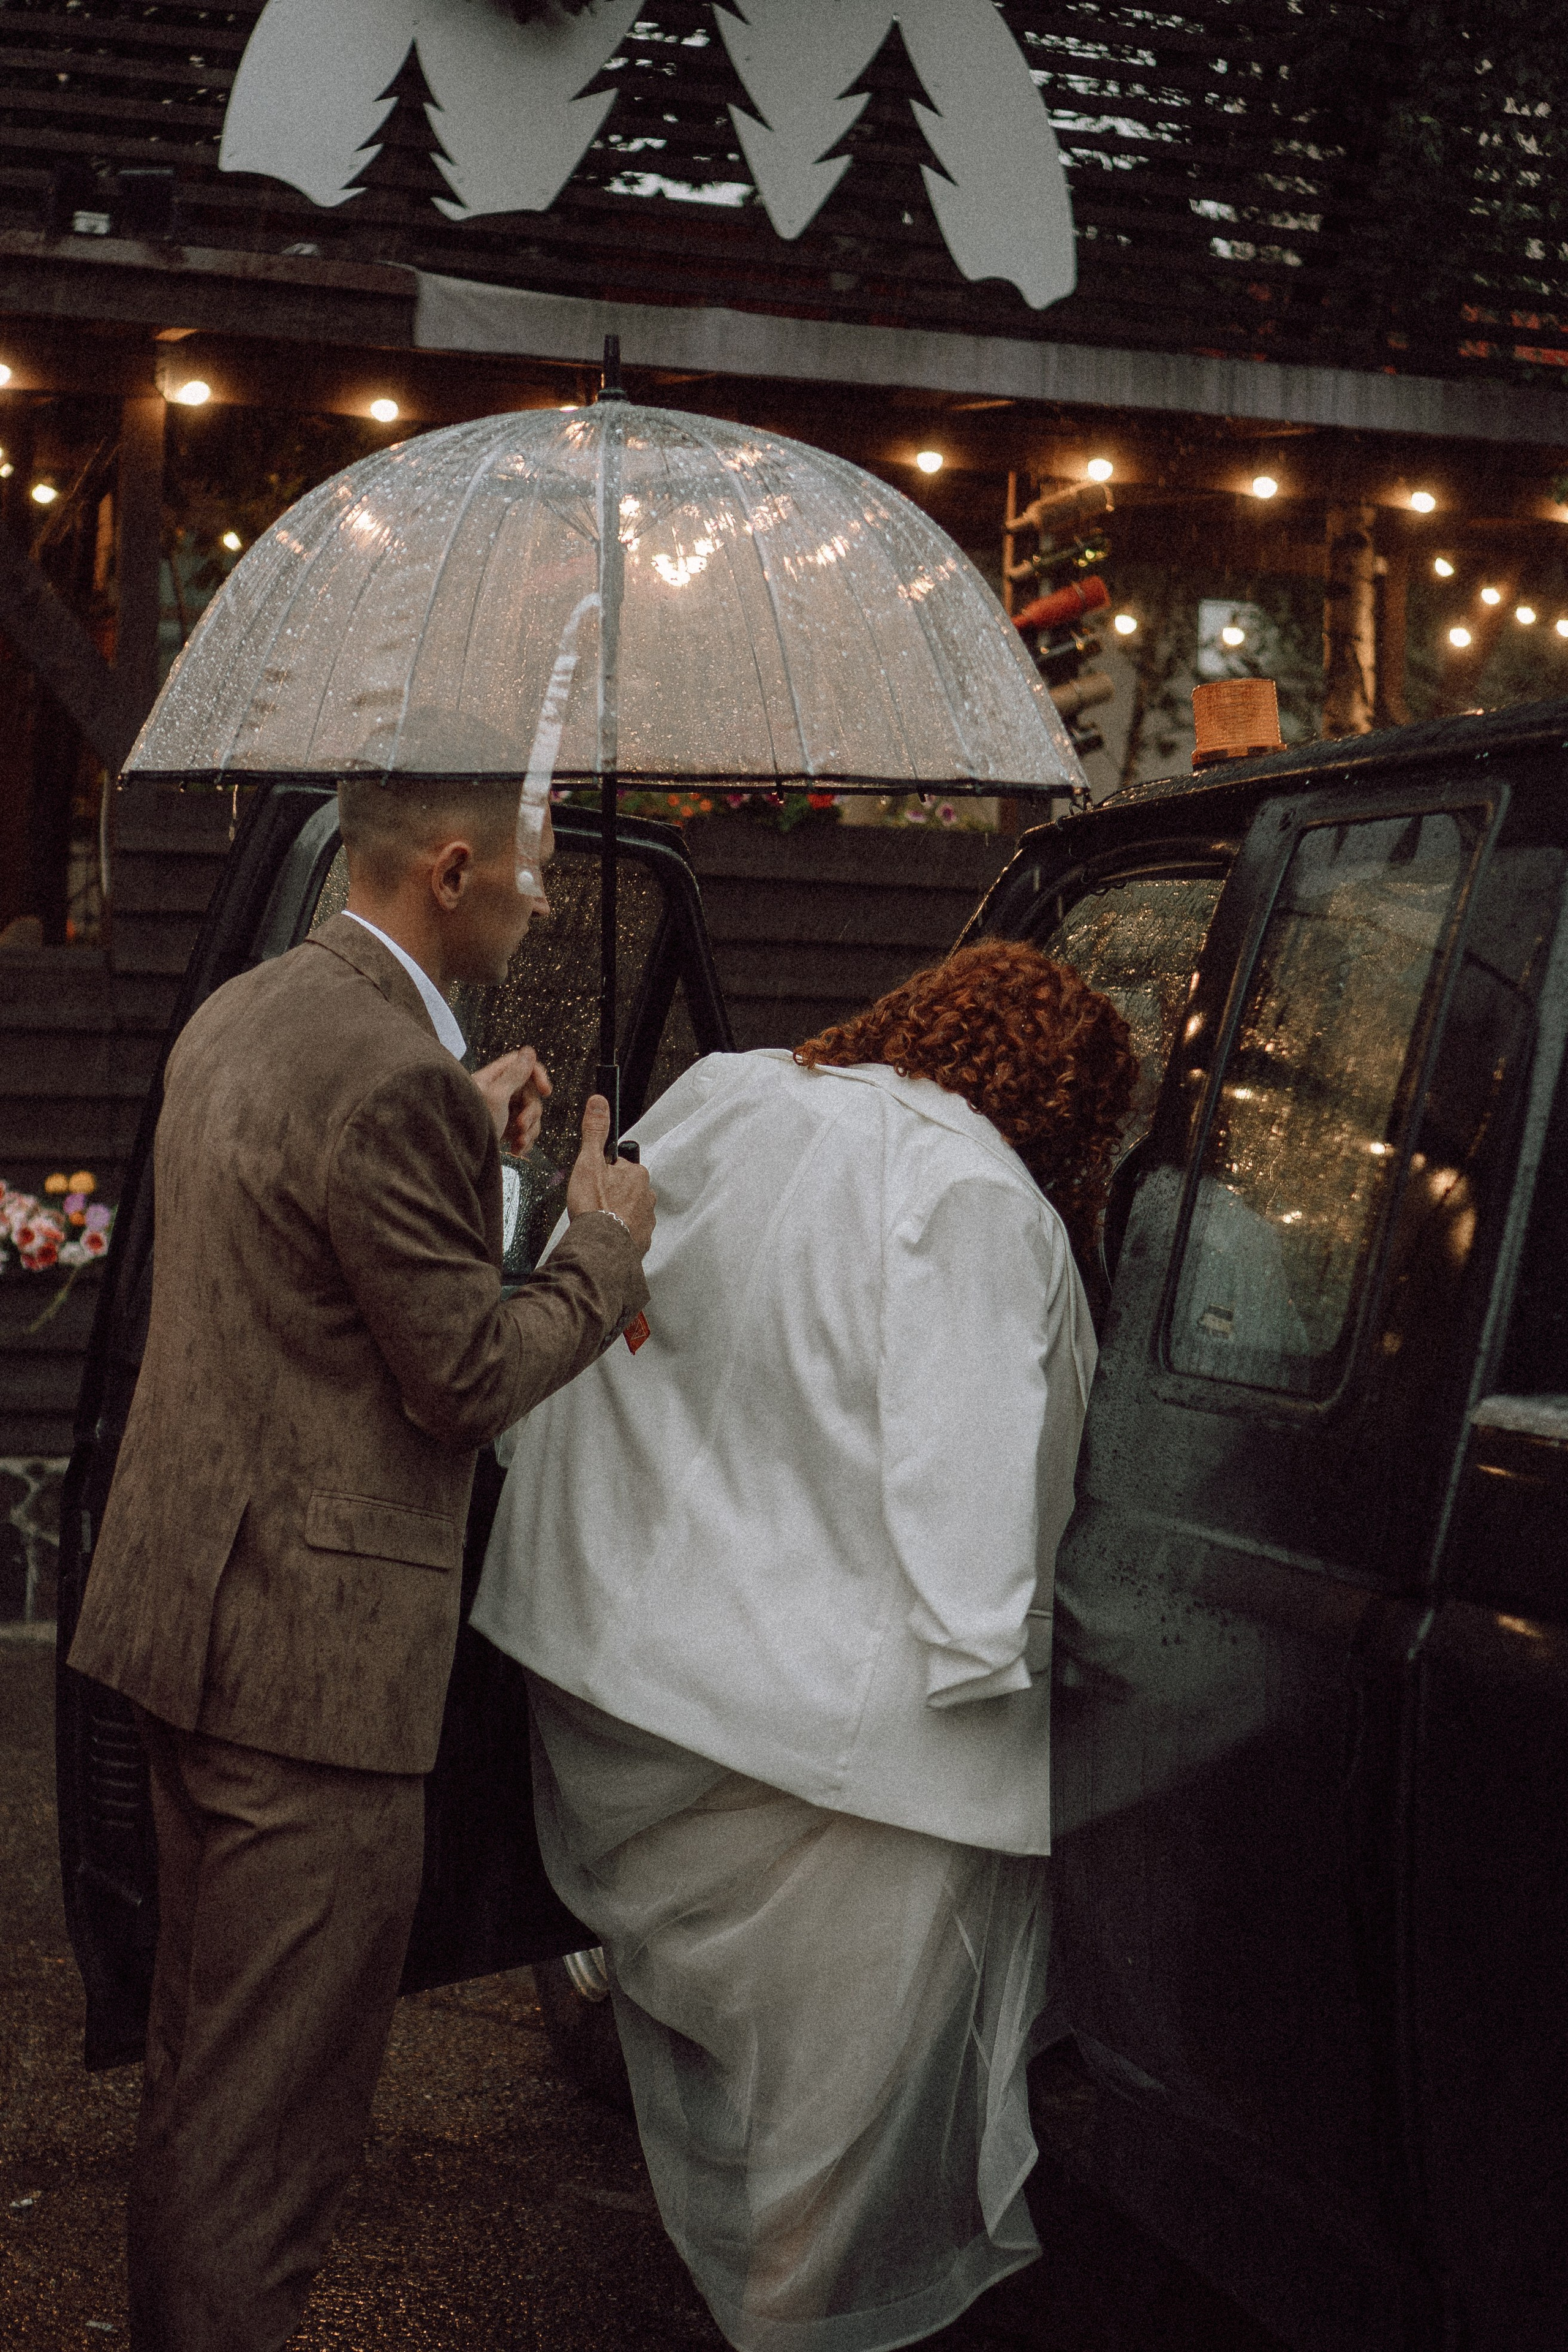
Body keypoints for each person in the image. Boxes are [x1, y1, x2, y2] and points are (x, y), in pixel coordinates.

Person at [472, 938, 1136, 2352]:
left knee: (740, 2065)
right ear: (1065, 1105)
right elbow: (972, 1516)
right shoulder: (977, 1198)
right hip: (831, 1760)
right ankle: (794, 2318)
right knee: (834, 2120)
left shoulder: (725, 1096)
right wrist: (1034, 1663)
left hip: (623, 1688)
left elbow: (609, 1328)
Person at [68, 777, 655, 2352]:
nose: (543, 902)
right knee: (272, 2138)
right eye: (532, 873)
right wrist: (601, 1243)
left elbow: (301, 1248)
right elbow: (461, 1376)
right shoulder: (395, 1079)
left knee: (205, 2081)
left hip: (182, 1630)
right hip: (309, 1682)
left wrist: (459, 1124)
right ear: (452, 871)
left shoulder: (246, 1016)